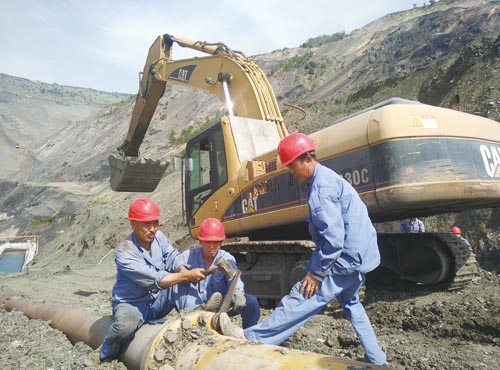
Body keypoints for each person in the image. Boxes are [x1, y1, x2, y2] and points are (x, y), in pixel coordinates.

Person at [219, 133, 387, 366]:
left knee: (302, 296)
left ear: (308, 158)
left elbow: (334, 240)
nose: (292, 172)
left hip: (344, 257)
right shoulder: (329, 177)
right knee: (351, 303)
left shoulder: (321, 189)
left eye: (293, 166)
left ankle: (250, 338)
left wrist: (316, 273)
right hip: (361, 254)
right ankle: (376, 358)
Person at [99, 198, 206, 362]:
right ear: (133, 224)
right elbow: (156, 279)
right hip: (132, 304)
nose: (152, 229)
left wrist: (183, 271)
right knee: (125, 327)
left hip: (155, 300)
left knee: (181, 284)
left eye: (155, 223)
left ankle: (196, 323)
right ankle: (106, 355)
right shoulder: (125, 252)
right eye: (146, 224)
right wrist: (187, 275)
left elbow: (171, 256)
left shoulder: (159, 237)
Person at [175, 217, 260, 328]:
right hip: (195, 306)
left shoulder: (226, 258)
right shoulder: (190, 255)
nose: (212, 246)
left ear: (222, 241)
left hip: (221, 307)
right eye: (207, 242)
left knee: (251, 302)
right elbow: (174, 260)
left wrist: (238, 291)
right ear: (200, 241)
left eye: (216, 242)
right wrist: (184, 271)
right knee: (190, 309)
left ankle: (250, 336)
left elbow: (233, 275)